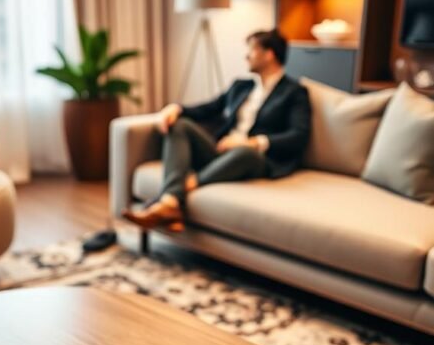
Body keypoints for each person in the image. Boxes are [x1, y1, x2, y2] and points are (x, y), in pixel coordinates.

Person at [122, 29, 311, 230]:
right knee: (180, 125)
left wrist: (252, 143)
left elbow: (298, 135)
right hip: (221, 152)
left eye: (252, 50)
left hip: (255, 158)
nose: (246, 56)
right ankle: (171, 205)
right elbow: (208, 108)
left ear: (269, 54)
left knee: (245, 153)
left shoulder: (294, 92)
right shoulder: (241, 86)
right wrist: (176, 108)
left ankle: (177, 193)